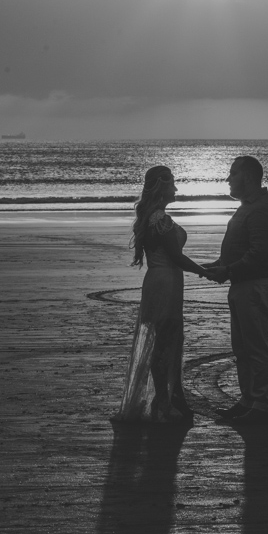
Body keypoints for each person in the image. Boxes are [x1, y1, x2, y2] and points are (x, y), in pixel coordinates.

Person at [113, 166, 211, 423]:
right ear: (161, 187)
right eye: (173, 184)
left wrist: (203, 267)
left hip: (160, 280)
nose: (176, 189)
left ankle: (168, 399)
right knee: (166, 342)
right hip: (166, 282)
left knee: (166, 340)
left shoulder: (153, 218)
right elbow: (176, 257)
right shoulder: (160, 220)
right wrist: (206, 272)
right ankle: (163, 404)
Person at [204, 156, 268, 426]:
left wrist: (227, 270)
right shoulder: (249, 206)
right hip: (244, 283)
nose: (227, 179)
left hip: (256, 284)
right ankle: (248, 400)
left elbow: (259, 255)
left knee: (256, 347)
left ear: (247, 177)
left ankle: (261, 404)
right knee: (243, 348)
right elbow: (244, 251)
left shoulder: (260, 209)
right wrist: (218, 266)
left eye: (232, 174)